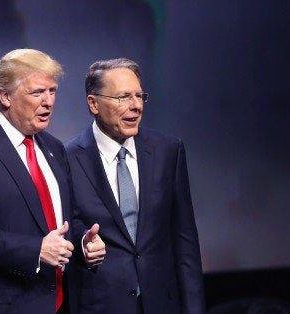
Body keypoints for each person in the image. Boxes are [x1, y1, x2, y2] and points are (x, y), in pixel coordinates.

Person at [0, 48, 105, 314]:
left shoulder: (54, 148)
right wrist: (36, 250)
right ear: (5, 96)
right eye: (37, 92)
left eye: (52, 90)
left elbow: (63, 219)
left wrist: (83, 241)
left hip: (55, 304)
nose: (48, 101)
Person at [65, 58, 205, 314]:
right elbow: (66, 225)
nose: (136, 106)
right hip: (102, 305)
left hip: (163, 304)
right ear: (93, 103)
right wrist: (84, 240)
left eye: (140, 96)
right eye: (123, 97)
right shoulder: (67, 159)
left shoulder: (168, 150)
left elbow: (184, 239)